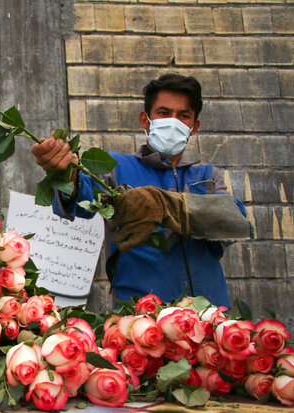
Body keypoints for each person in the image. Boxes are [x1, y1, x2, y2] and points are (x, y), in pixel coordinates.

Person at [31, 74, 253, 307]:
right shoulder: (115, 168)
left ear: (194, 126)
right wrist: (68, 173)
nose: (173, 121)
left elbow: (235, 221)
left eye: (183, 116)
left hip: (210, 317)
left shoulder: (207, 176)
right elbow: (80, 200)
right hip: (140, 320)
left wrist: (166, 205)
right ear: (146, 120)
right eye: (164, 113)